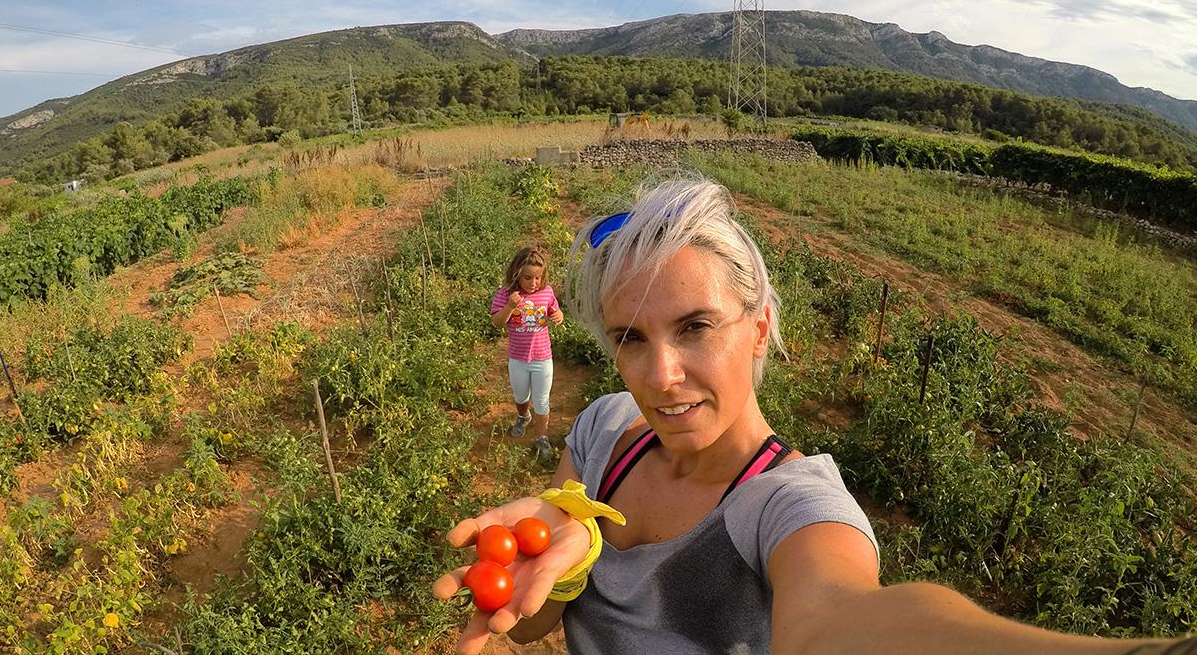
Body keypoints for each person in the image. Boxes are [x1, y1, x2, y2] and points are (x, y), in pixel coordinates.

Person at [435, 178, 1194, 655]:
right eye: (631, 339)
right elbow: (532, 622)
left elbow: (841, 619)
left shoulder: (790, 506)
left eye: (696, 327)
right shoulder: (605, 430)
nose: (660, 376)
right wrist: (557, 569)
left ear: (759, 327)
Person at [490, 245, 564, 461]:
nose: (533, 283)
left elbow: (555, 310)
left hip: (542, 358)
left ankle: (541, 437)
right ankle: (523, 416)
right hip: (518, 358)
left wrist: (558, 315)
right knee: (520, 395)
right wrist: (510, 306)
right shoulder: (506, 294)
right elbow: (497, 322)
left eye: (538, 278)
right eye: (528, 278)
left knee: (542, 400)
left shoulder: (546, 292)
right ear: (517, 275)